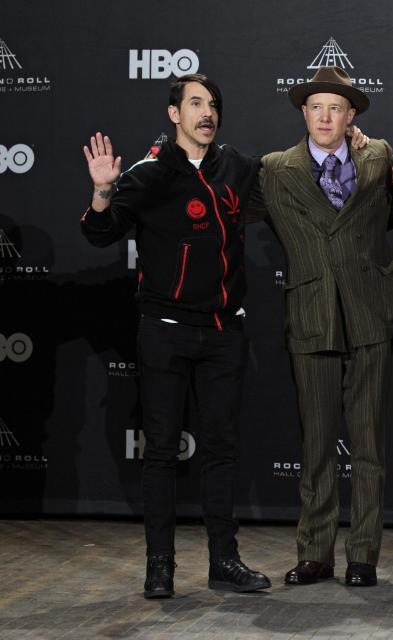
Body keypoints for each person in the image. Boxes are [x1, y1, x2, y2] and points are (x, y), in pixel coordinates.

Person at [80, 73, 270, 598]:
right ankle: (159, 566)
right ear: (173, 115)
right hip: (164, 330)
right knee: (161, 451)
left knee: (221, 450)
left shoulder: (237, 167)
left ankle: (223, 562)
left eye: (212, 105)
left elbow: (297, 178)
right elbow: (100, 232)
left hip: (225, 332)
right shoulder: (148, 172)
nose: (207, 113)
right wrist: (101, 189)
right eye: (195, 104)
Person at [251, 66, 393, 588]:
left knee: (368, 447)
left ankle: (363, 554)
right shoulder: (274, 169)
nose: (325, 116)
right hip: (312, 315)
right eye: (316, 107)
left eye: (336, 107)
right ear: (303, 113)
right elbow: (224, 207)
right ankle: (314, 552)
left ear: (351, 114)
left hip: (368, 315)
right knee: (315, 444)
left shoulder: (378, 156)